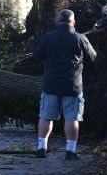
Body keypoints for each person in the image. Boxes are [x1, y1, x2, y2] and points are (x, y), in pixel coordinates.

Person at [31, 9, 97, 160]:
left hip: (51, 85)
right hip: (72, 86)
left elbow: (36, 56)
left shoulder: (49, 37)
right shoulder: (80, 38)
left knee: (46, 117)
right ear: (74, 22)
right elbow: (93, 57)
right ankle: (70, 151)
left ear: (58, 21)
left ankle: (41, 149)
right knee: (72, 118)